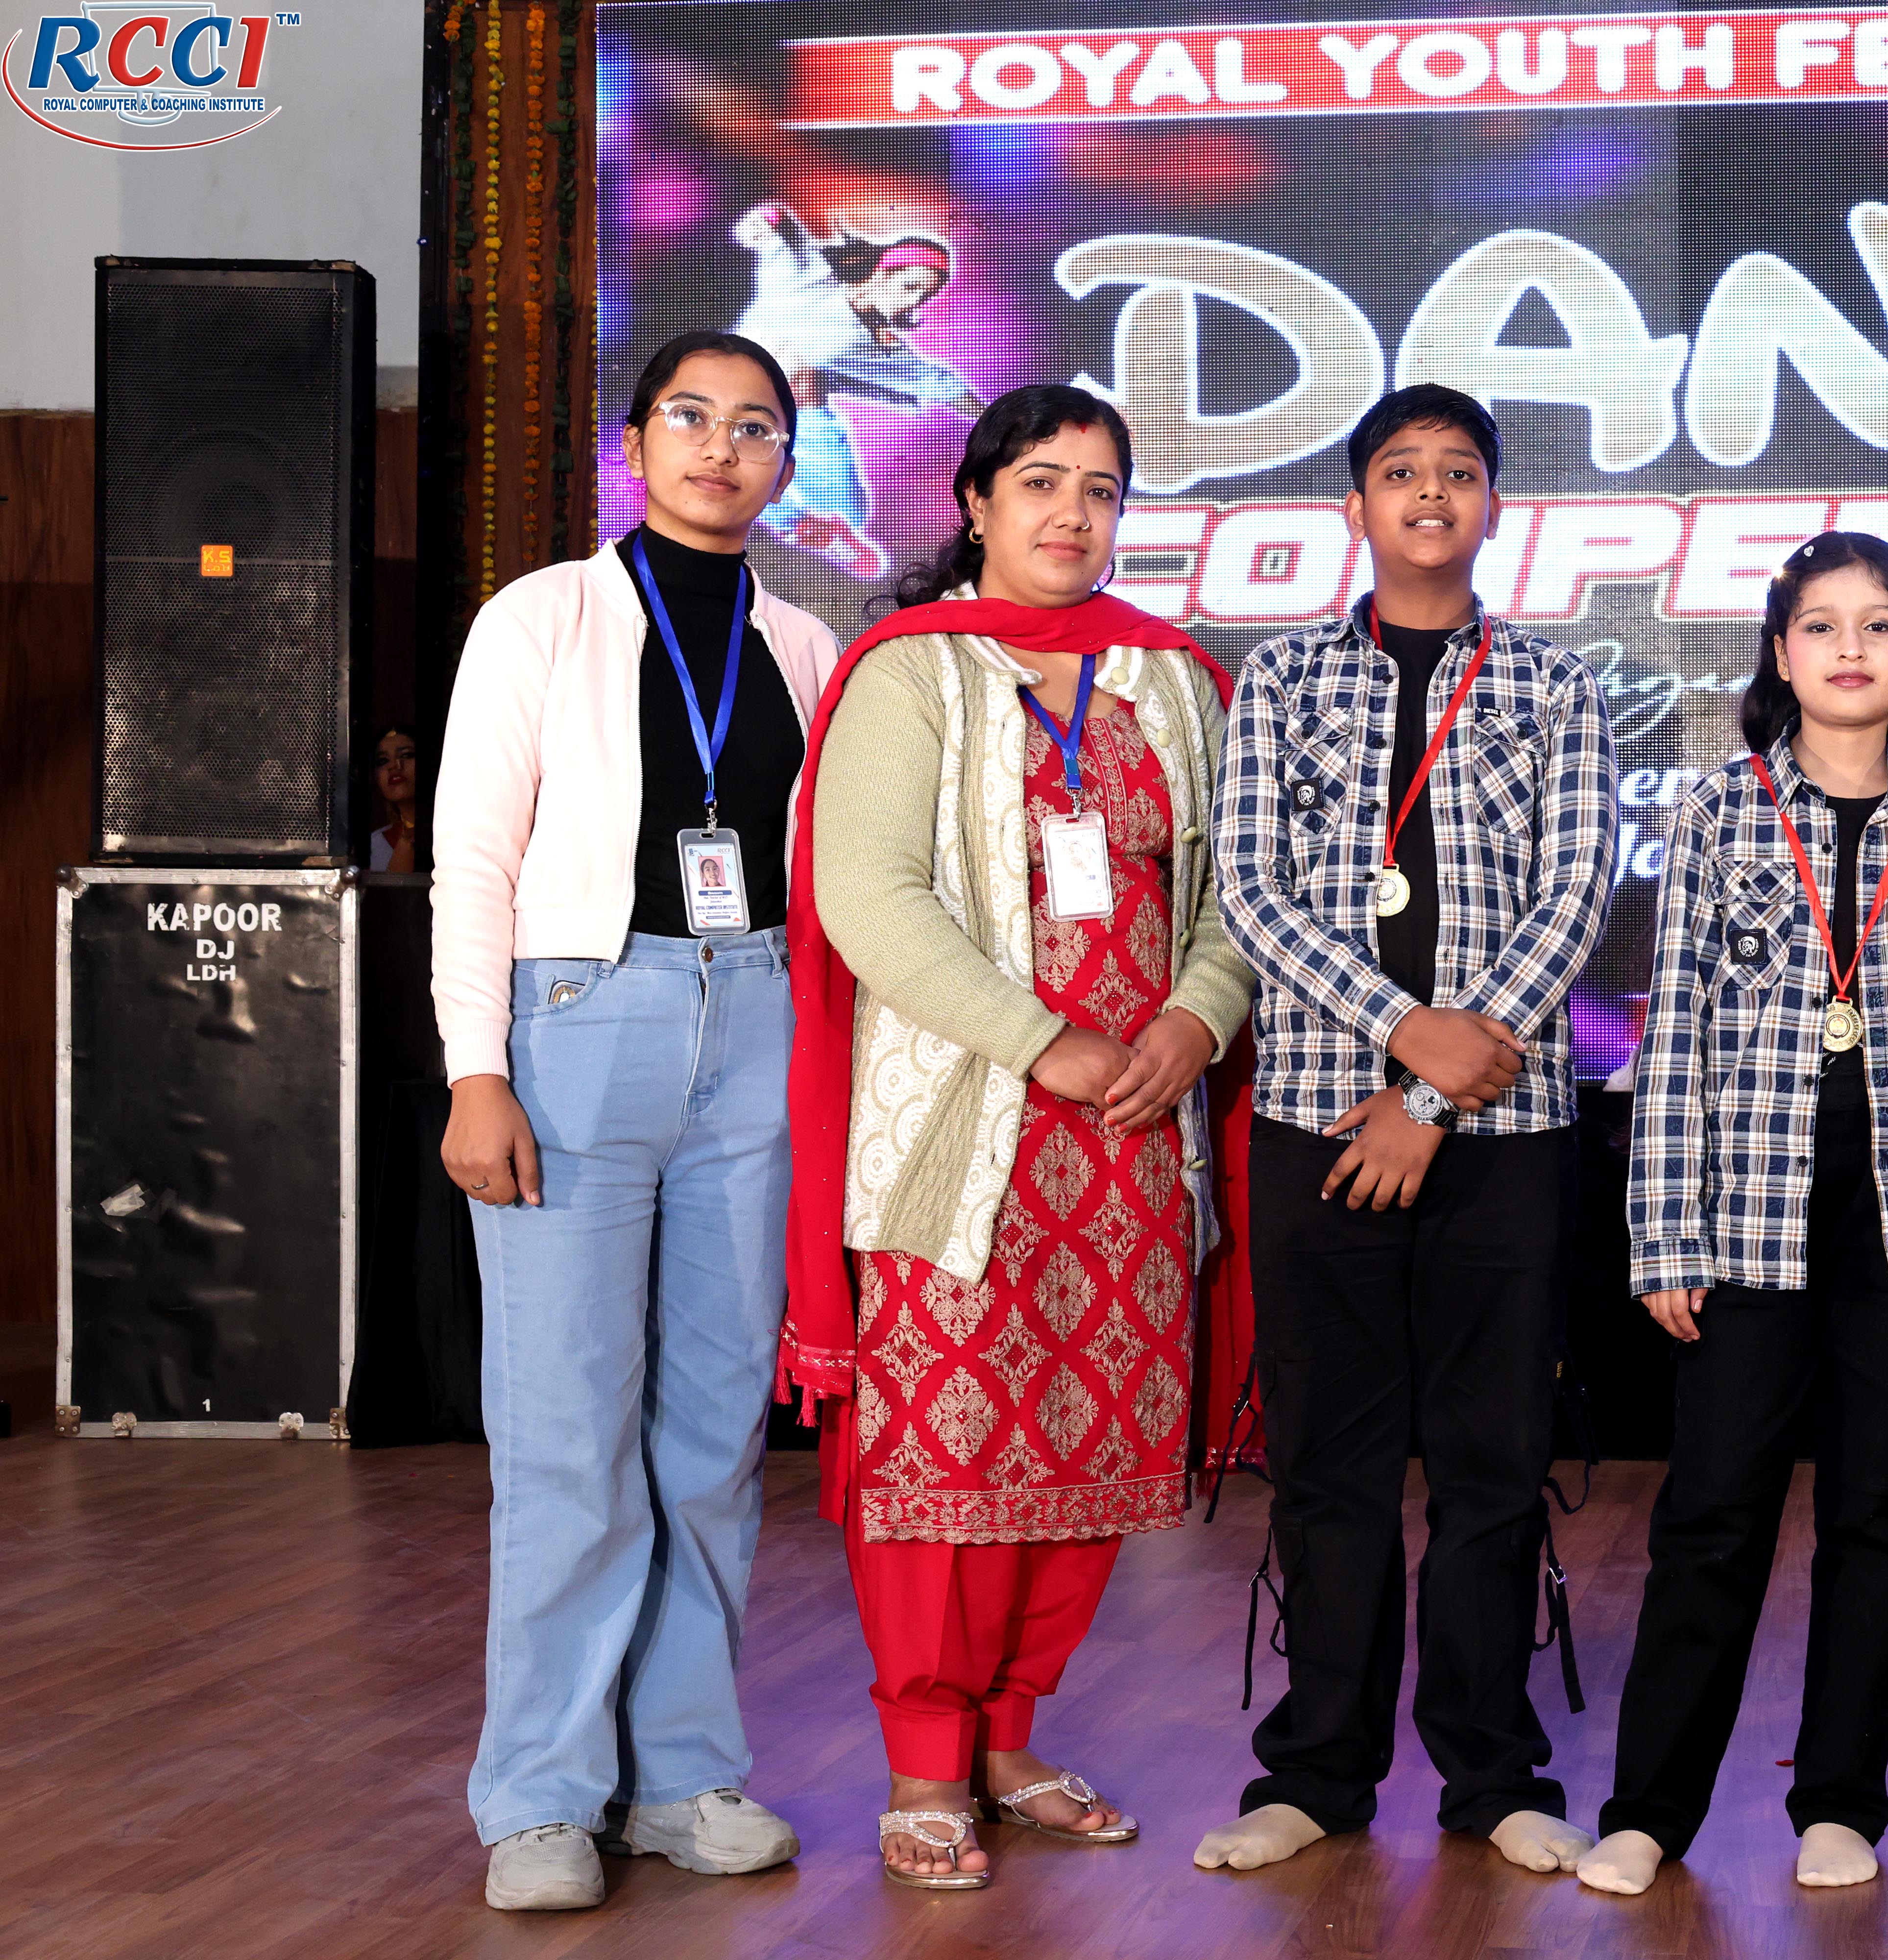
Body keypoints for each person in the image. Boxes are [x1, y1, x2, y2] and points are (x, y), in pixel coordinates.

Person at [776, 384, 1256, 1890]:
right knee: (944, 1452)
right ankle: (927, 1757)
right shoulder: (911, 670)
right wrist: (1046, 1041)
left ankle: (1010, 1738)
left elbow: (1234, 897)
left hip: (1134, 1134)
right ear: (977, 502)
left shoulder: (1174, 678)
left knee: (1088, 1449)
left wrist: (1194, 1022)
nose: (1071, 512)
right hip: (961, 1132)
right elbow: (867, 897)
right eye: (1041, 481)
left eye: (1100, 488)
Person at [433, 329, 837, 1911]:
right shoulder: (541, 615)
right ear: (638, 440)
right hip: (579, 1018)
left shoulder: (806, 644)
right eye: (691, 417)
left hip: (760, 1020)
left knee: (715, 1434)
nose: (721, 448)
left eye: (755, 427)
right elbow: (476, 858)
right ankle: (541, 1797)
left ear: (785, 462)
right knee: (565, 1432)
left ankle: (682, 1776)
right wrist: (476, 1068)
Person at [1196, 383, 1619, 1878]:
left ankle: (1493, 1775)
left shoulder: (1557, 684)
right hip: (1317, 1119)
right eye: (1399, 471)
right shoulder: (1283, 675)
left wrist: (1434, 1093)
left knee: (1494, 1461)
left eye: (1457, 472)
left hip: (1504, 1134)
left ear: (1494, 505)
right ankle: (1316, 1771)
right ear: (1357, 507)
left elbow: (1576, 896)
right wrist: (1400, 1030)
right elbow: (1251, 892)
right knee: (1331, 1461)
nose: (1430, 493)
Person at [1576, 533, 1888, 1899]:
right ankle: (1649, 1811)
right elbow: (1677, 1033)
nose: (1851, 648)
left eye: (1880, 625)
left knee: (1879, 1517)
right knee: (1712, 1516)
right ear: (1781, 653)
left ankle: (1839, 1804)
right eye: (1822, 625)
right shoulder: (1719, 811)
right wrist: (1663, 1234)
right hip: (1750, 1221)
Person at [733, 201, 988, 582]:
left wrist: (999, 417)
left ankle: (819, 527)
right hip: (737, 411)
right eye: (911, 287)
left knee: (850, 511)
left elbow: (939, 383)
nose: (913, 301)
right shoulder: (811, 279)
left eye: (924, 296)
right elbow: (785, 235)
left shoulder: (876, 345)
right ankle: (793, 522)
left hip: (808, 426)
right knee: (733, 474)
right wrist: (766, 221)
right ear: (881, 273)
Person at [366, 723, 417, 870]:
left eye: (407, 755)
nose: (394, 766)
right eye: (383, 761)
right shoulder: (374, 847)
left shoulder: (460, 833)